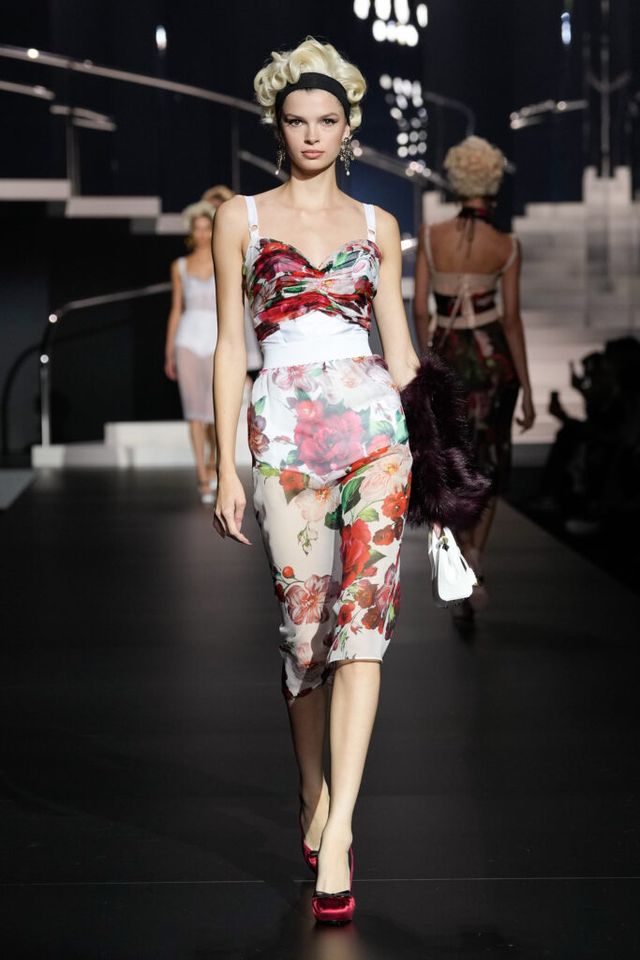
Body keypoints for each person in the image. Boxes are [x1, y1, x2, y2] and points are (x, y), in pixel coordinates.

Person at [211, 37, 420, 924]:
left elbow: (400, 350)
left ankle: (340, 832)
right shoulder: (242, 219)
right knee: (305, 638)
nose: (311, 134)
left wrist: (438, 446)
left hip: (375, 435)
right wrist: (223, 463)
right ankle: (312, 792)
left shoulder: (379, 226)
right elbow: (231, 345)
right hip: (285, 434)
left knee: (363, 629)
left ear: (347, 128)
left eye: (326, 120)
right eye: (297, 120)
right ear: (278, 125)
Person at [413, 135, 535, 616]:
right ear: (494, 183)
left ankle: (458, 555)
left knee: (449, 459)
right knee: (488, 461)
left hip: (447, 358)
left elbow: (421, 310)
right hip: (492, 362)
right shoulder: (506, 246)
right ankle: (476, 558)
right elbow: (512, 320)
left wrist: (424, 360)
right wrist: (527, 389)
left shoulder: (430, 236)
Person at [165, 201, 218, 503]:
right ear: (191, 232)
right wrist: (169, 351)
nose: (202, 234)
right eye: (197, 229)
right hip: (187, 339)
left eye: (207, 228)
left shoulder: (223, 260)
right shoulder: (180, 266)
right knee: (193, 411)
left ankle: (213, 462)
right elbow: (176, 309)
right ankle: (201, 473)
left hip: (215, 338)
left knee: (214, 411)